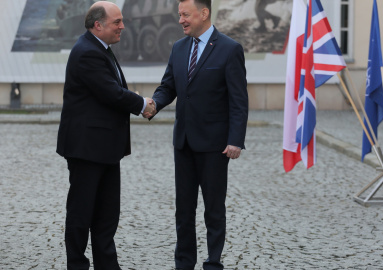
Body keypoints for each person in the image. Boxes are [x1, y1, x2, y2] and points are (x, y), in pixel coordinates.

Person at [146, 0, 248, 269]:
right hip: (184, 143)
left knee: (214, 210)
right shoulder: (179, 48)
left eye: (185, 15)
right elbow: (168, 86)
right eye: (179, 15)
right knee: (183, 210)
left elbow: (239, 100)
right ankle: (184, 262)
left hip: (215, 146)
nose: (180, 20)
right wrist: (154, 104)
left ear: (204, 13)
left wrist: (236, 139)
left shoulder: (230, 49)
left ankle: (213, 262)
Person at [56, 1, 156, 269]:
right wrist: (142, 104)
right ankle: (77, 265)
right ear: (97, 25)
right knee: (81, 214)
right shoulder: (87, 52)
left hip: (104, 149)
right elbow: (110, 92)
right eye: (117, 22)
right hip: (87, 149)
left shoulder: (99, 48)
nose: (123, 26)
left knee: (106, 216)